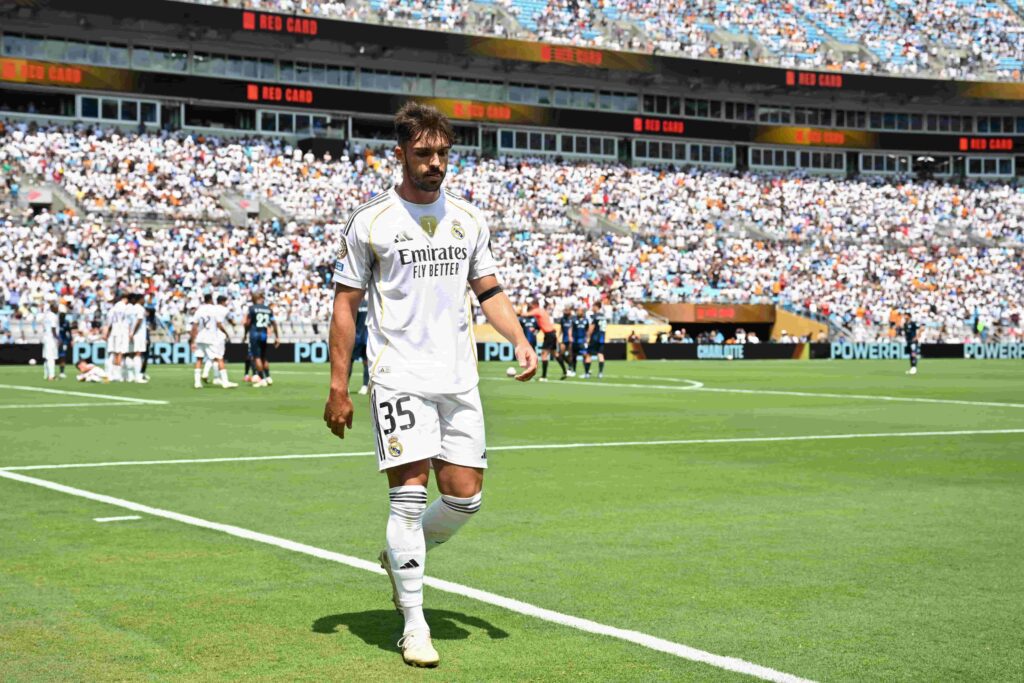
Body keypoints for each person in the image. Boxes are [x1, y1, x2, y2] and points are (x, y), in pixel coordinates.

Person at [322, 102, 537, 669]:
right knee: (409, 494)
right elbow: (345, 306)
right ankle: (414, 624)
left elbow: (488, 290)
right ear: (400, 154)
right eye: (423, 153)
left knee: (465, 498)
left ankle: (401, 558)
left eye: (442, 153)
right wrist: (338, 387)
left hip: (459, 379)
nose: (435, 163)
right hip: (398, 378)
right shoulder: (371, 222)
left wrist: (519, 338)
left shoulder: (469, 219)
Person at [190, 293, 237, 388]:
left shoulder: (199, 310)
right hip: (211, 338)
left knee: (199, 359)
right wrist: (226, 333)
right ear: (211, 300)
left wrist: (192, 340)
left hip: (200, 337)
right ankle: (225, 381)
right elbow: (219, 323)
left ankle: (197, 383)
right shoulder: (214, 310)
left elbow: (194, 326)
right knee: (219, 357)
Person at [243, 291, 280, 388]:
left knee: (257, 357)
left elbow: (247, 323)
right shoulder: (268, 309)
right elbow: (274, 323)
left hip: (255, 334)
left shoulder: (252, 309)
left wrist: (245, 334)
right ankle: (268, 377)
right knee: (264, 356)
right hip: (264, 334)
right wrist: (277, 337)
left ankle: (261, 379)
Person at [526, 298, 564, 381]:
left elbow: (525, 314)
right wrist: (535, 329)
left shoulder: (537, 310)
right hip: (551, 334)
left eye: (531, 305)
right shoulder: (541, 311)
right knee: (555, 354)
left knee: (544, 355)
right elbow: (541, 324)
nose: (530, 307)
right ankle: (565, 371)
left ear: (535, 305)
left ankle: (543, 376)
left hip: (549, 335)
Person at [103, 292, 130, 381]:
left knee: (113, 353)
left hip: (114, 331)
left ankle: (111, 374)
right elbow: (129, 322)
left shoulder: (112, 309)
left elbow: (108, 324)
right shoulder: (126, 308)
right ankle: (118, 375)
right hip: (122, 331)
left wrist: (105, 334)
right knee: (120, 353)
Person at [127, 293, 149, 384]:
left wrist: (129, 333)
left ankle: (130, 376)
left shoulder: (131, 308)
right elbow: (139, 321)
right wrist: (134, 332)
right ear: (140, 299)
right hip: (138, 334)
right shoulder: (140, 308)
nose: (144, 301)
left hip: (130, 333)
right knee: (138, 354)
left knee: (130, 354)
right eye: (143, 299)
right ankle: (137, 376)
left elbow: (128, 322)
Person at [350, 299, 370, 395]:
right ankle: (365, 386)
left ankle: (346, 386)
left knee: (350, 361)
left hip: (356, 337)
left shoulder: (356, 304)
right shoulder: (370, 304)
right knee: (366, 362)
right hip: (367, 337)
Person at [583, 301, 607, 379]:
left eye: (593, 306)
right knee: (600, 354)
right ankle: (600, 373)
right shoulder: (603, 316)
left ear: (597, 306)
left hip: (594, 338)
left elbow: (591, 328)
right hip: (602, 338)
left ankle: (587, 373)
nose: (592, 308)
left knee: (588, 354)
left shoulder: (594, 316)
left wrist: (587, 337)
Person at [41, 302, 60, 381]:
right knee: (51, 358)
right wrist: (57, 338)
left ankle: (46, 375)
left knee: (46, 357)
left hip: (46, 337)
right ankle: (51, 376)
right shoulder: (53, 316)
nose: (57, 309)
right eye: (56, 307)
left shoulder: (46, 315)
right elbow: (53, 328)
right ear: (53, 308)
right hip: (51, 338)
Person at [571, 304, 589, 377]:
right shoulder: (574, 320)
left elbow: (587, 330)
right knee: (574, 356)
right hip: (575, 341)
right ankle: (574, 371)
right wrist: (571, 337)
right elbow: (571, 329)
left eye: (579, 311)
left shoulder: (586, 320)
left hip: (582, 341)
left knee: (585, 355)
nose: (577, 312)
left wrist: (587, 338)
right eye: (577, 311)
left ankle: (586, 372)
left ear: (582, 312)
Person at [559, 306, 576, 377]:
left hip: (571, 339)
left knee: (570, 354)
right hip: (564, 338)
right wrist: (558, 336)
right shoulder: (562, 319)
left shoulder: (573, 319)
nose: (565, 311)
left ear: (570, 311)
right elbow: (561, 329)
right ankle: (570, 364)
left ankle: (570, 368)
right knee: (561, 353)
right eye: (564, 310)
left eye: (567, 310)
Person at [57, 308, 72, 379]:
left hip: (63, 342)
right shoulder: (56, 322)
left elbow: (69, 332)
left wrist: (70, 340)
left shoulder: (66, 322)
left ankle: (62, 372)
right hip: (55, 342)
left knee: (62, 357)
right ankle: (51, 372)